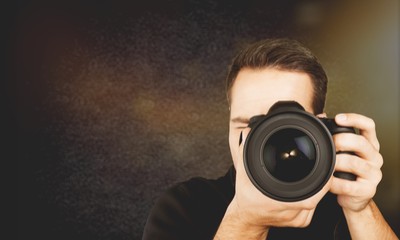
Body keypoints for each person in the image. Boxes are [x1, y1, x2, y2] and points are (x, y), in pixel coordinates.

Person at [142, 38, 398, 239]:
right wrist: (245, 221)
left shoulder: (347, 200)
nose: (263, 142)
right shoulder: (186, 207)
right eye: (248, 125)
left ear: (320, 126)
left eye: (281, 126)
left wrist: (360, 210)